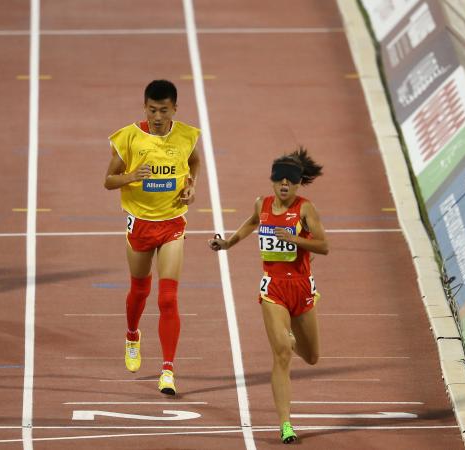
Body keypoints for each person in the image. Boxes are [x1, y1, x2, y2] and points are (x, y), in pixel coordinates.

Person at [208, 147, 328, 444]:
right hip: (273, 288)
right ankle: (285, 424)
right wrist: (227, 243)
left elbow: (324, 246)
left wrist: (296, 239)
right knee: (282, 353)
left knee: (311, 356)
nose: (284, 185)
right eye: (279, 180)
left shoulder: (305, 209)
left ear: (297, 184)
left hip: (301, 287)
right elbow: (251, 223)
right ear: (273, 182)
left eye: (290, 181)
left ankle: (291, 338)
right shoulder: (262, 204)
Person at [104, 80, 201, 395]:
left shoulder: (186, 135)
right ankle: (132, 334)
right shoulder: (130, 137)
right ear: (145, 107)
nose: (157, 116)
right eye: (152, 109)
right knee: (140, 291)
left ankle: (168, 371)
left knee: (168, 298)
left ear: (174, 108)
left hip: (172, 223)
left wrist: (191, 184)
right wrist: (131, 177)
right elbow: (108, 180)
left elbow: (194, 162)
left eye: (163, 110)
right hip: (141, 225)